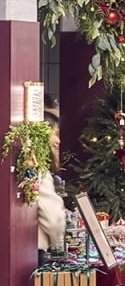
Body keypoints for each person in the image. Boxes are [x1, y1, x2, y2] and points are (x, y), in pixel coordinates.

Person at [37, 108, 66, 262]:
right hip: (36, 251)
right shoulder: (38, 171)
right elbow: (53, 217)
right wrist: (57, 241)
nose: (58, 141)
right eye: (55, 134)